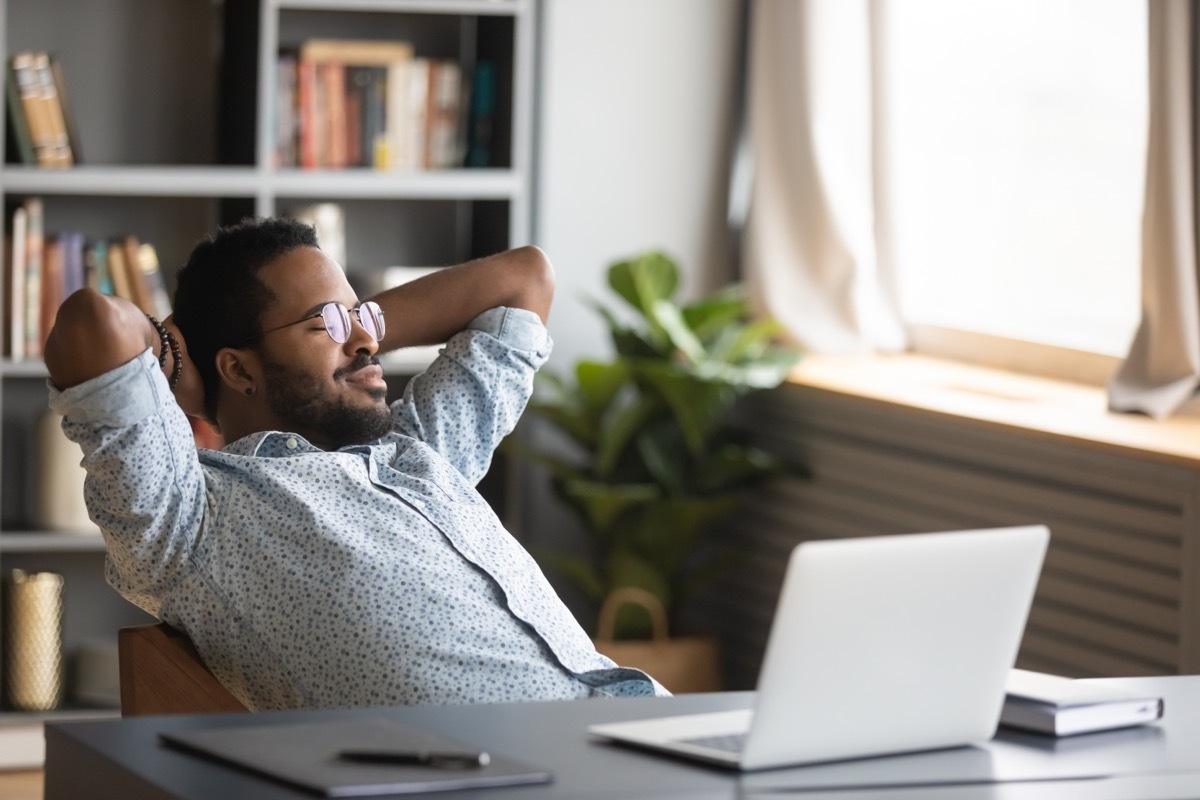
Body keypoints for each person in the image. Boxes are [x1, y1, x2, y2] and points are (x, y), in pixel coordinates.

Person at [44, 217, 666, 710]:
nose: (369, 341)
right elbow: (92, 324)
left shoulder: (418, 449)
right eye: (329, 322)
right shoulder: (193, 516)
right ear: (237, 369)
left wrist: (351, 332)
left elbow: (525, 278)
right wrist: (180, 362)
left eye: (362, 316)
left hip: (641, 729)